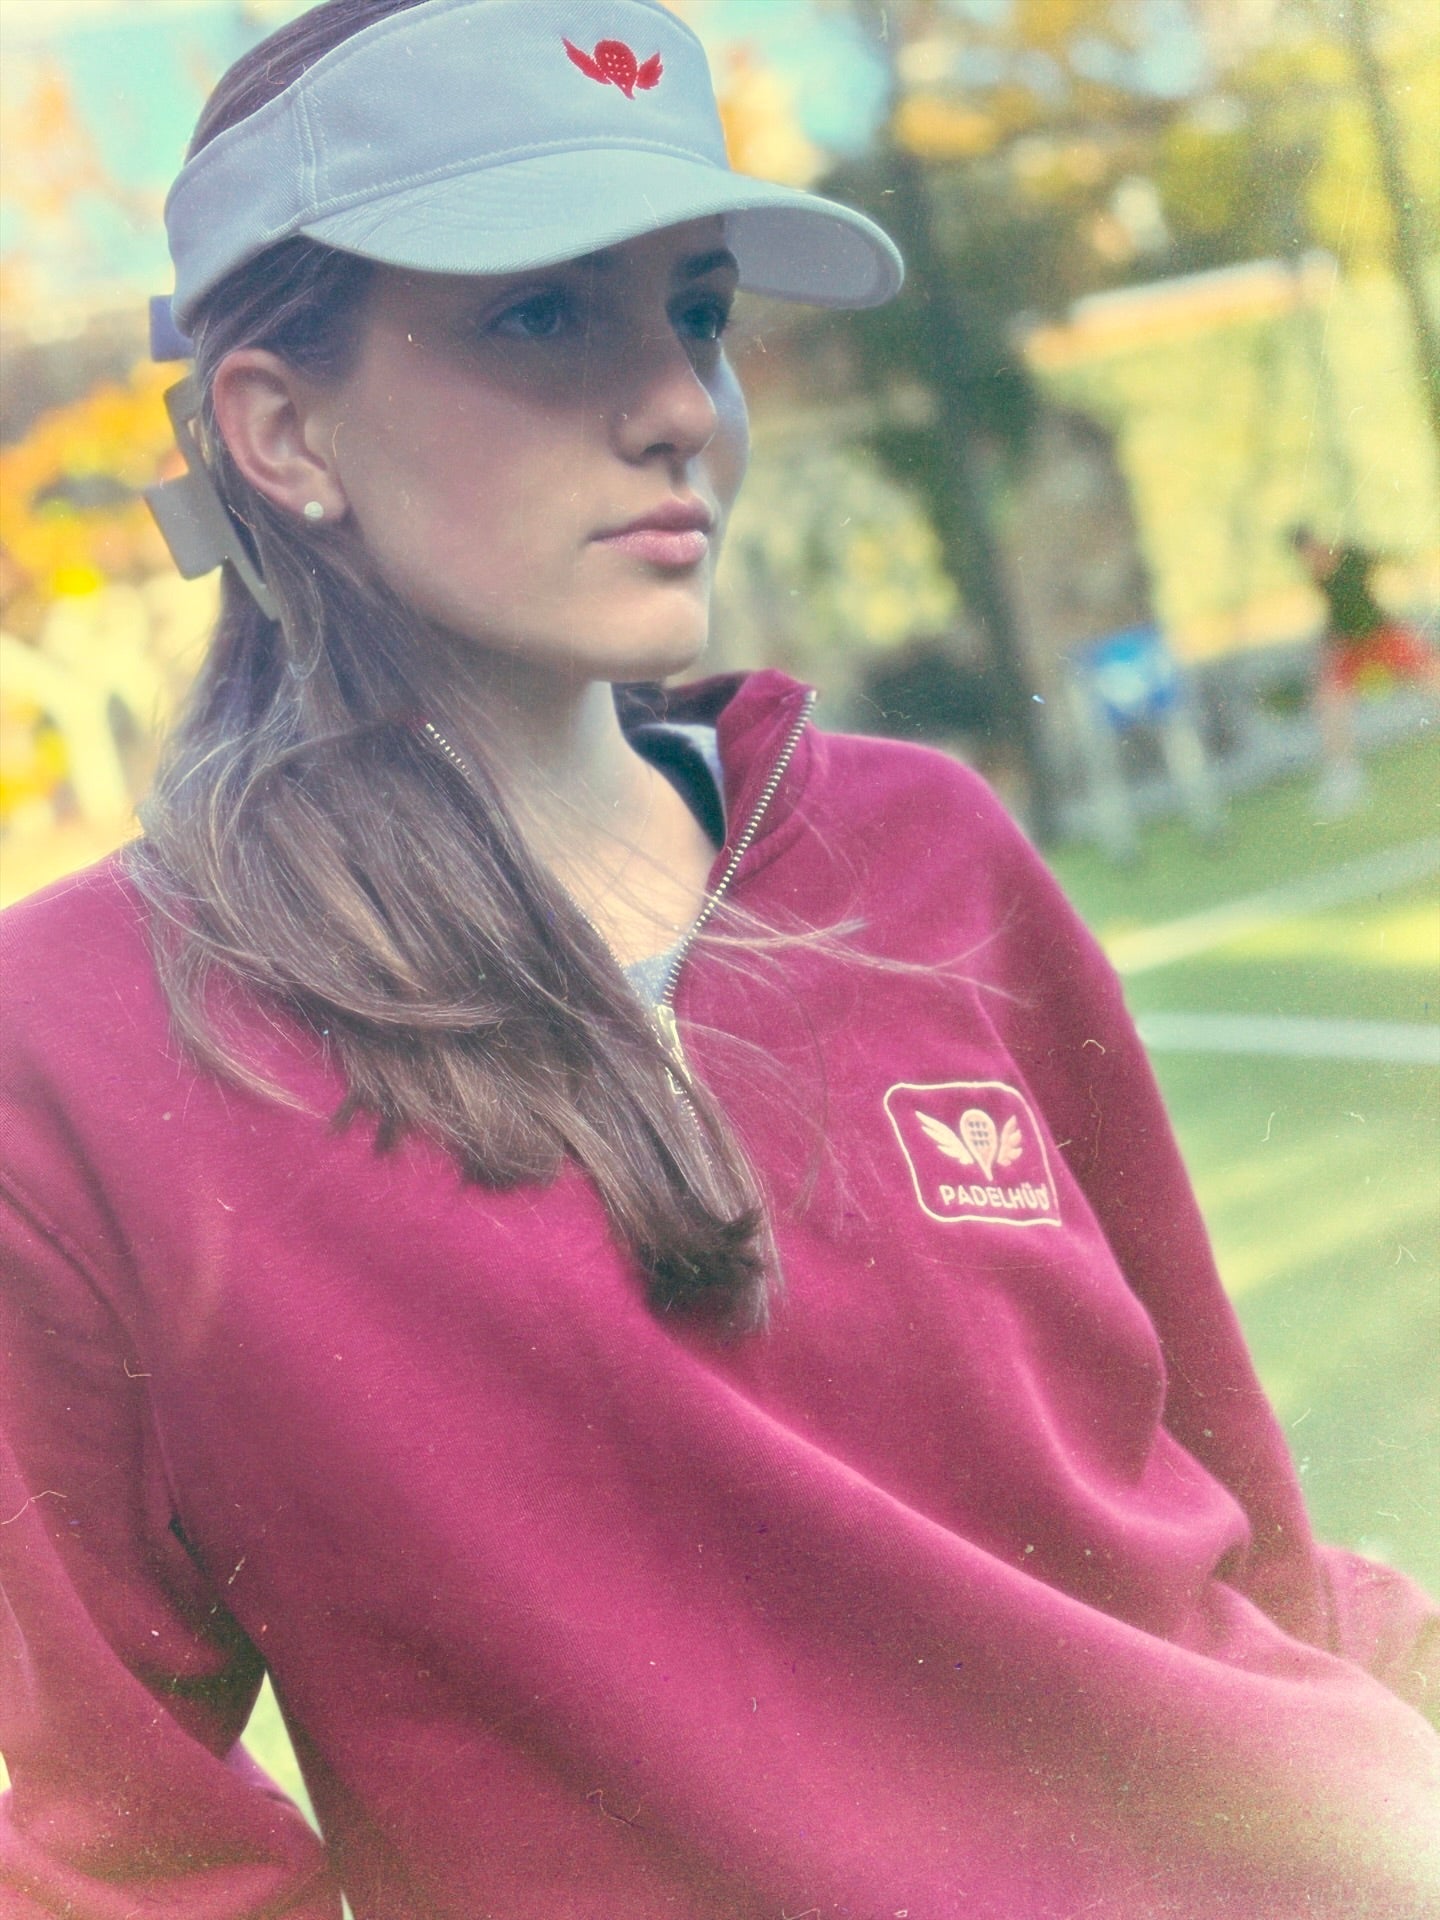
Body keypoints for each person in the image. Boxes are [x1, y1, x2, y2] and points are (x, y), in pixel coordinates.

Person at [2, 4, 1437, 1914]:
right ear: (281, 430)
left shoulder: (929, 850)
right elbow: (128, 1852)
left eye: (693, 313)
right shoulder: (76, 1046)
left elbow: (1245, 1527)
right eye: (541, 314)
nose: (681, 402)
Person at [1289, 524, 1440, 821]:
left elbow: (1389, 558)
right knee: (1329, 703)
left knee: (1432, 675)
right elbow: (1336, 616)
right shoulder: (1316, 576)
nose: (1310, 558)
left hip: (1381, 633)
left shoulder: (1350, 555)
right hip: (1350, 645)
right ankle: (1345, 777)